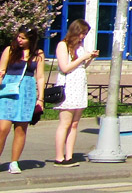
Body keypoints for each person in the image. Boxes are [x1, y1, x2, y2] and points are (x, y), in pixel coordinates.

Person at [0, 26, 47, 174]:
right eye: (18, 37)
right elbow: (2, 70)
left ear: (31, 40)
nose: (19, 40)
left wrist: (40, 99)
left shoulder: (38, 54)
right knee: (2, 128)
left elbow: (40, 77)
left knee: (21, 129)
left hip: (27, 92)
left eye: (23, 38)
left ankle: (14, 162)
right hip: (8, 90)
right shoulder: (10, 50)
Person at [52, 19, 99, 166]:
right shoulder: (63, 45)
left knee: (74, 124)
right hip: (68, 86)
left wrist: (89, 58)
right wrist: (83, 58)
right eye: (81, 33)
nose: (82, 36)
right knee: (65, 123)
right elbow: (65, 68)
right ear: (75, 31)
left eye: (85, 34)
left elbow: (81, 66)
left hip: (79, 86)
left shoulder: (80, 46)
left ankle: (69, 155)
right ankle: (59, 157)